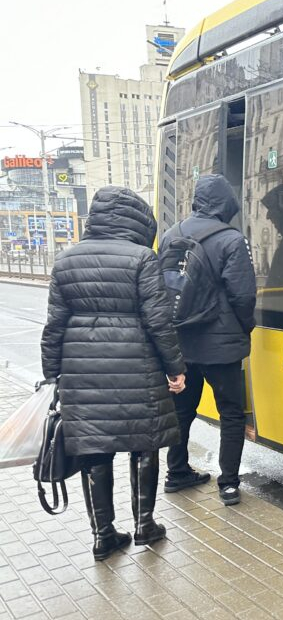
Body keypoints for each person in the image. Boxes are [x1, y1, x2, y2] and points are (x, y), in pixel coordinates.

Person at [40, 186, 186, 561]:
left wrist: (53, 374)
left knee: (94, 449)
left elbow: (54, 326)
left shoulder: (66, 260)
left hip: (82, 375)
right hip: (138, 369)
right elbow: (158, 321)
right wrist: (175, 369)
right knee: (145, 444)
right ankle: (144, 526)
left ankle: (103, 536)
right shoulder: (142, 258)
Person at [162, 174, 256, 506]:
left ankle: (176, 473)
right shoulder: (231, 239)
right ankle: (228, 484)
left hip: (180, 342)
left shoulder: (170, 235)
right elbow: (243, 295)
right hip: (221, 345)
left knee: (182, 409)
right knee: (230, 412)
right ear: (226, 203)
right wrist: (246, 328)